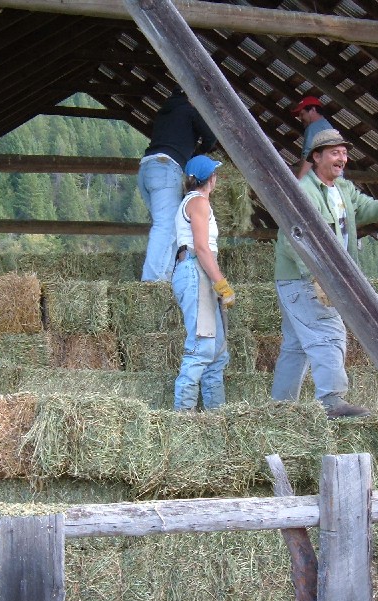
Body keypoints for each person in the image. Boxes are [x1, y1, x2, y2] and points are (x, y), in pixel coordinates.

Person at [272, 128, 378, 418]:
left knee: (297, 345)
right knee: (329, 331)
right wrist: (315, 276)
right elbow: (291, 238)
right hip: (304, 277)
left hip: (313, 277)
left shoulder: (343, 190)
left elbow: (364, 210)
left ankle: (281, 409)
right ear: (316, 157)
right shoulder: (304, 191)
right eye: (335, 152)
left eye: (344, 152)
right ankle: (331, 400)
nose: (342, 157)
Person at [171, 155, 235, 411]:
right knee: (201, 346)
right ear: (211, 178)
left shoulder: (193, 201)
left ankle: (215, 418)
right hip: (196, 270)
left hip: (198, 271)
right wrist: (221, 283)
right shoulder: (199, 202)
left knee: (217, 352)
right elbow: (202, 247)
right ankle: (183, 417)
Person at [138, 86, 217, 282]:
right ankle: (152, 281)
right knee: (165, 225)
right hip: (166, 168)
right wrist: (198, 154)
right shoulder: (189, 110)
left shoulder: (164, 113)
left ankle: (165, 277)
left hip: (147, 168)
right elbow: (210, 137)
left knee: (170, 224)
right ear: (190, 97)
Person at [291, 95, 333, 180]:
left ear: (313, 110)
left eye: (302, 114)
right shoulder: (327, 126)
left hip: (321, 179)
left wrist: (299, 181)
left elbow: (308, 157)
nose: (301, 118)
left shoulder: (313, 127)